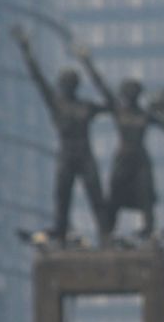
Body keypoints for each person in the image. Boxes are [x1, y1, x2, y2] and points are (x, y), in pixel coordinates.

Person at [75, 45, 164, 239]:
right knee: (114, 197)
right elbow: (101, 85)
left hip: (140, 161)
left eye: (134, 91)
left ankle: (148, 231)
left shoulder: (145, 114)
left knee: (146, 198)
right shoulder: (119, 111)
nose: (130, 95)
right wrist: (86, 61)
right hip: (123, 160)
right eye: (128, 91)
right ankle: (107, 232)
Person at [11, 27, 109, 243]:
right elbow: (37, 78)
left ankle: (105, 237)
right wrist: (26, 50)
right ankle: (61, 237)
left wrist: (87, 63)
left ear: (74, 85)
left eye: (67, 82)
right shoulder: (57, 104)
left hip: (85, 156)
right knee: (62, 200)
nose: (63, 86)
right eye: (63, 82)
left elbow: (111, 102)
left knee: (97, 198)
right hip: (66, 156)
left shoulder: (86, 106)